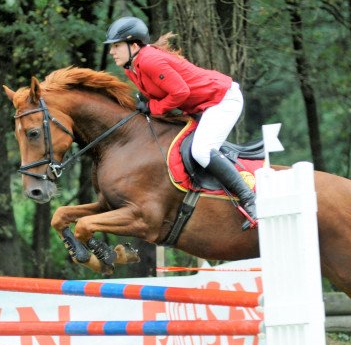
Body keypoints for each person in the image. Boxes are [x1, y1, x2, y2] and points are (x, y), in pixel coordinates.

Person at [104, 16, 256, 230]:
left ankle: (250, 199)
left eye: (117, 46)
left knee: (202, 151)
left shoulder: (149, 60)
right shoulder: (132, 68)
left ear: (134, 45)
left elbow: (180, 92)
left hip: (221, 99)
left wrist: (153, 108)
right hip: (201, 106)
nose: (112, 52)